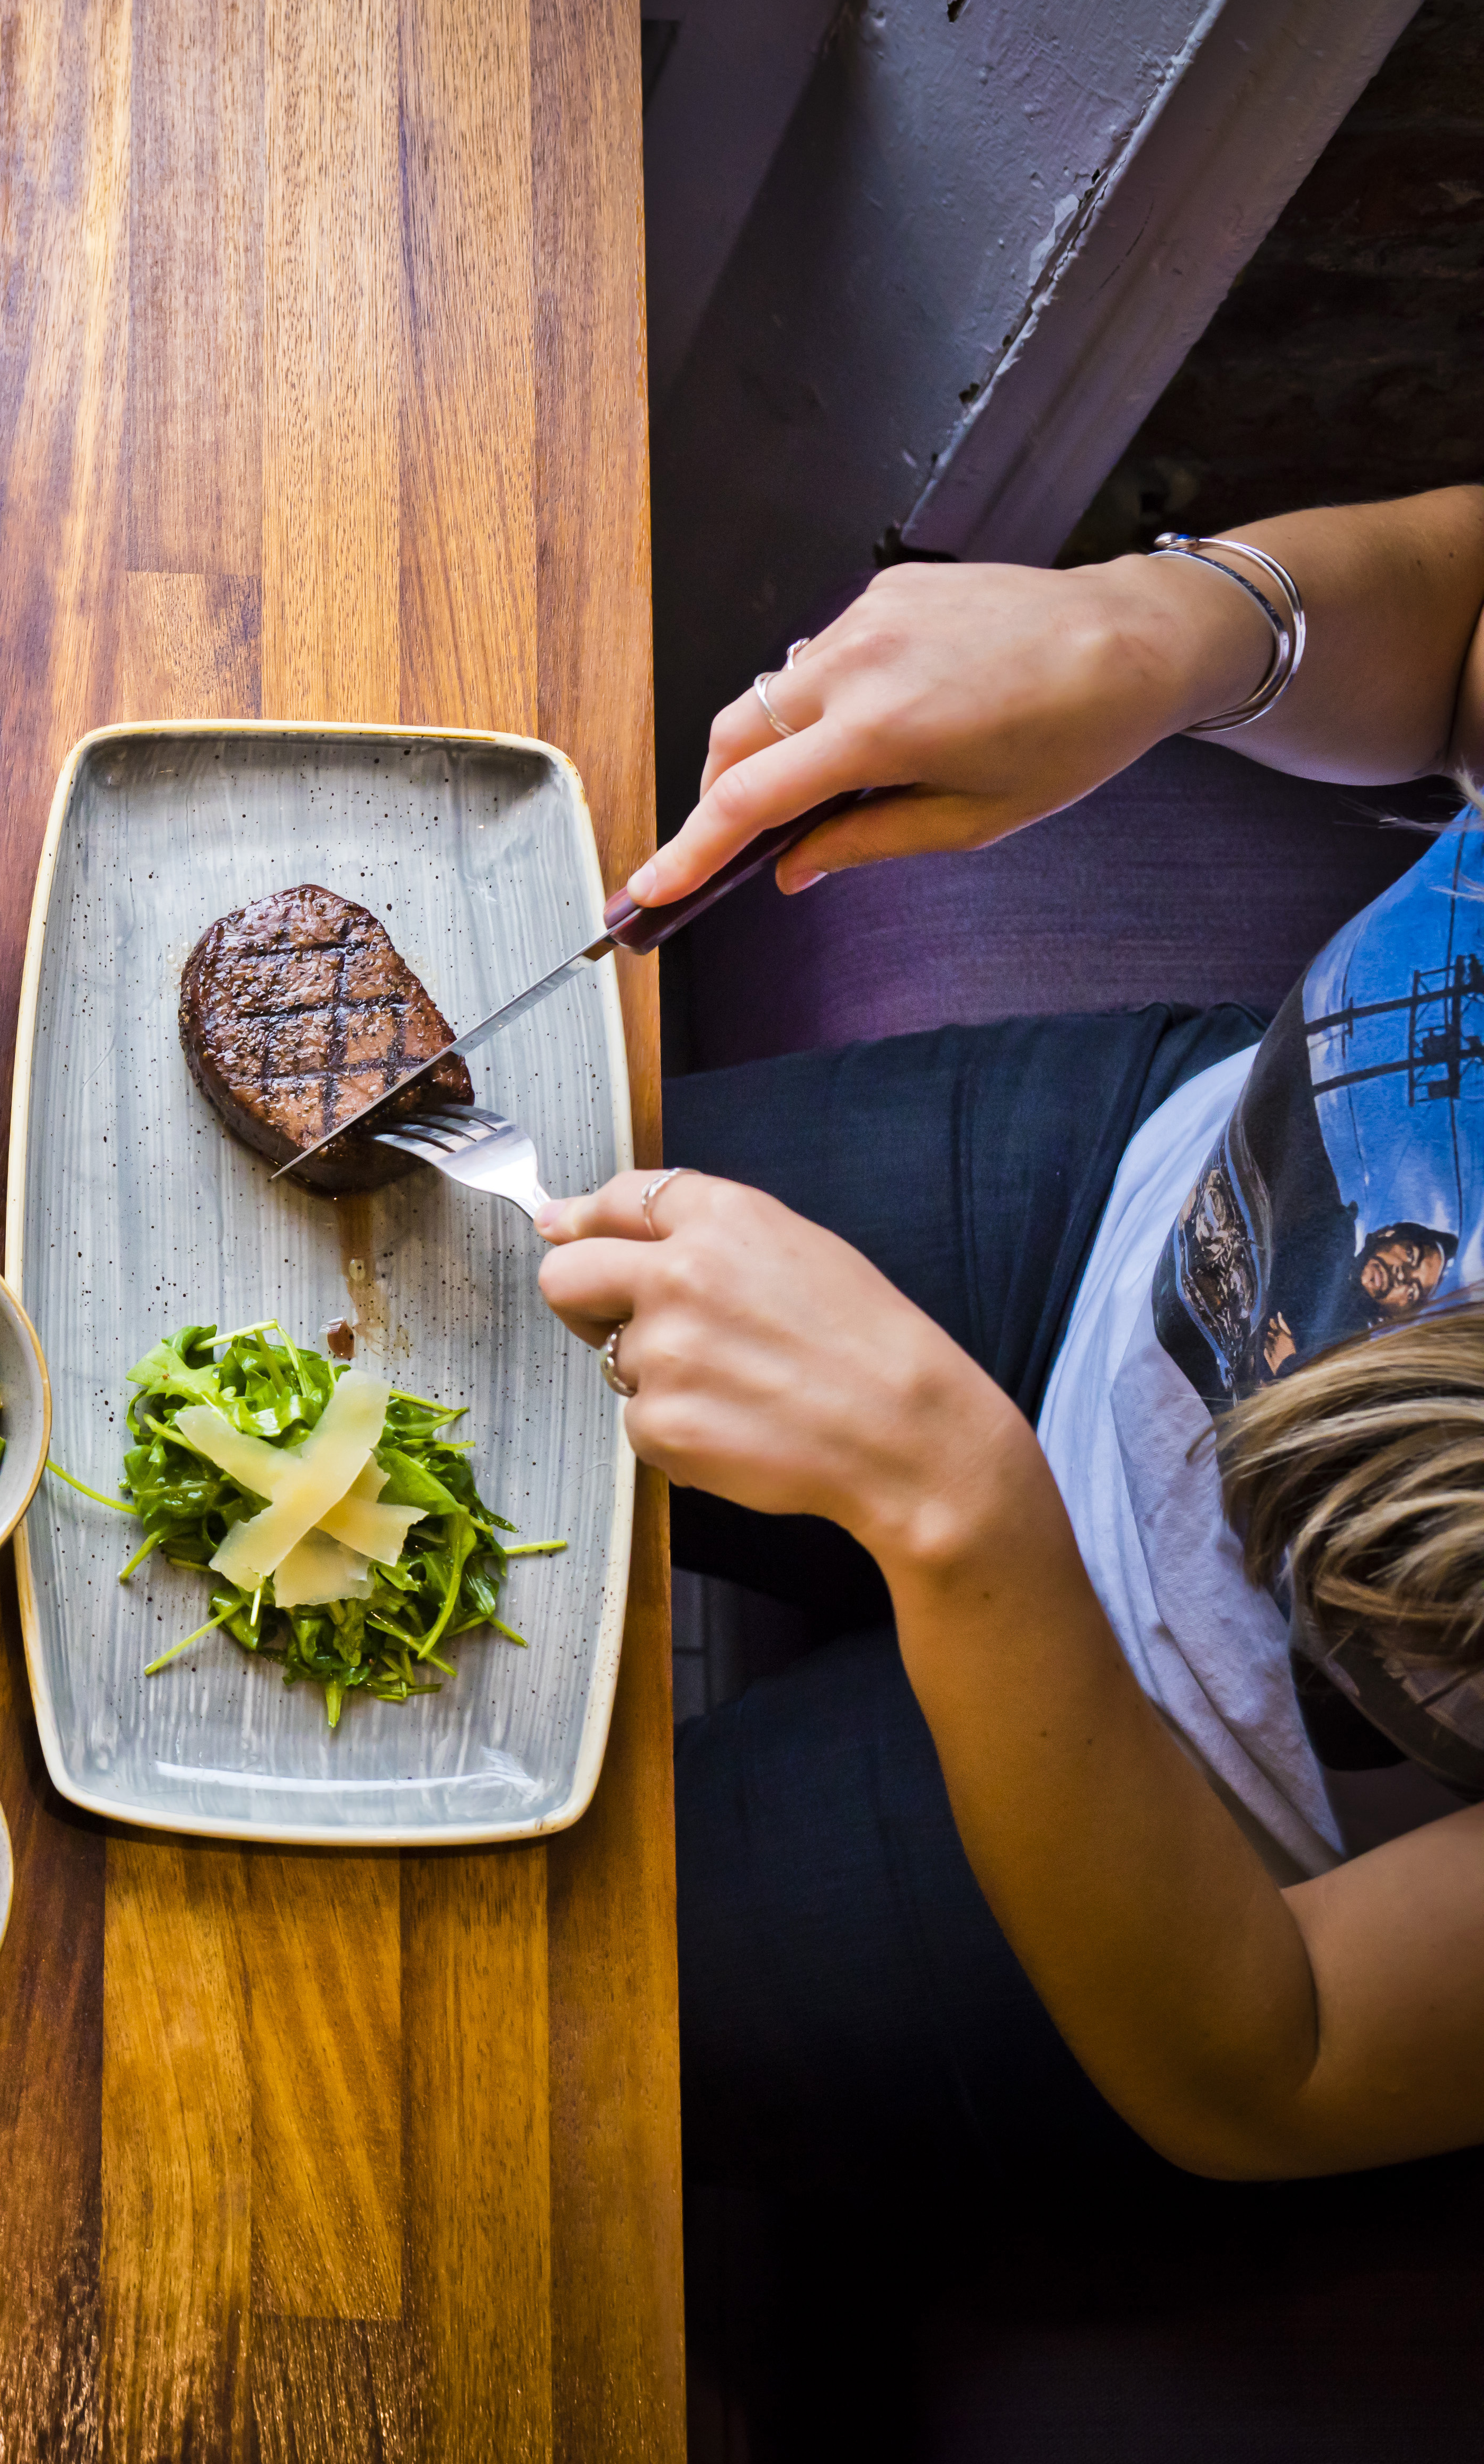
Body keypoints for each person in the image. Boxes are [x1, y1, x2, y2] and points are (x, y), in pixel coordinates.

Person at [534, 487, 1484, 2193]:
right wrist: (1174, 627)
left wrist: (955, 1500)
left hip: (1189, 1835)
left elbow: (1283, 2063)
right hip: (1142, 1188)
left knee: (483, 1980)